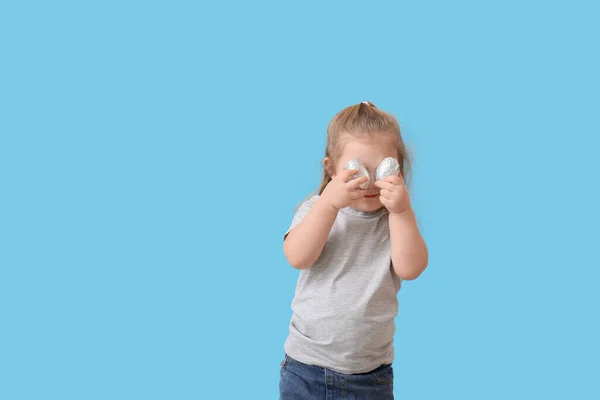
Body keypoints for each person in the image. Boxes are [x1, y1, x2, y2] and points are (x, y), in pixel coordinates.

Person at [279, 101, 429, 400]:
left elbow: (411, 269)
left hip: (371, 375)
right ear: (331, 168)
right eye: (358, 170)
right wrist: (329, 204)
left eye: (384, 169)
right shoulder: (315, 209)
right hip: (306, 368)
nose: (371, 182)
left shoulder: (396, 220)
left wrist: (401, 213)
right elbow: (297, 256)